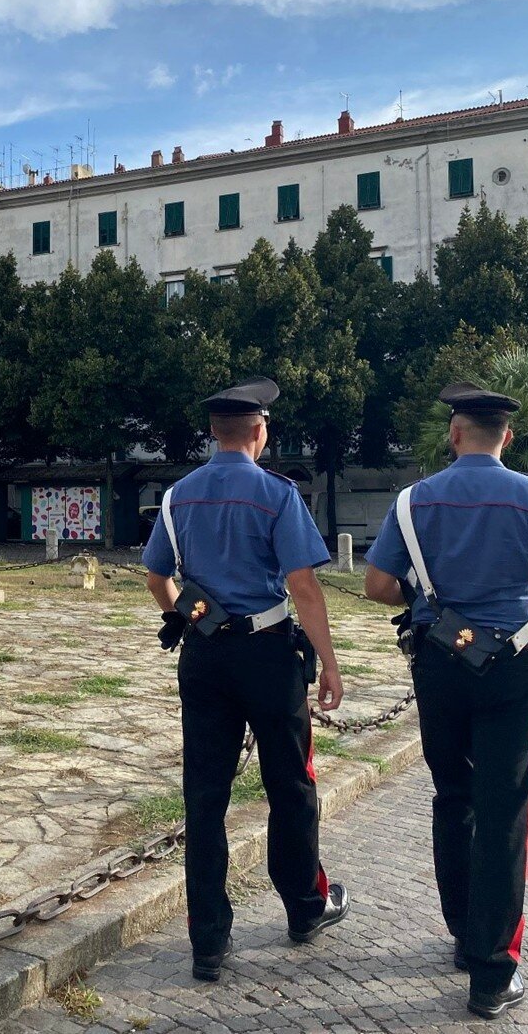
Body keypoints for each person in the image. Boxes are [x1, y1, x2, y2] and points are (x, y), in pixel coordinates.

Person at [365, 382, 528, 1020]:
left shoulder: (413, 501)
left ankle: (462, 932)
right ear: (508, 436)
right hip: (512, 670)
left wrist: (425, 600)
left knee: (453, 797)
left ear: (454, 434)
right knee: (504, 813)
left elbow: (377, 585)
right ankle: (492, 972)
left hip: (438, 665)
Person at [143, 377, 349, 983]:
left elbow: (156, 576)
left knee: (205, 796)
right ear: (260, 432)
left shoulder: (177, 497)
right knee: (291, 784)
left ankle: (208, 940)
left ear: (213, 432)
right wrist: (329, 661)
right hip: (268, 655)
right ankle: (305, 909)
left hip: (205, 656)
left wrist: (188, 617)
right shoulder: (277, 494)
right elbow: (303, 585)